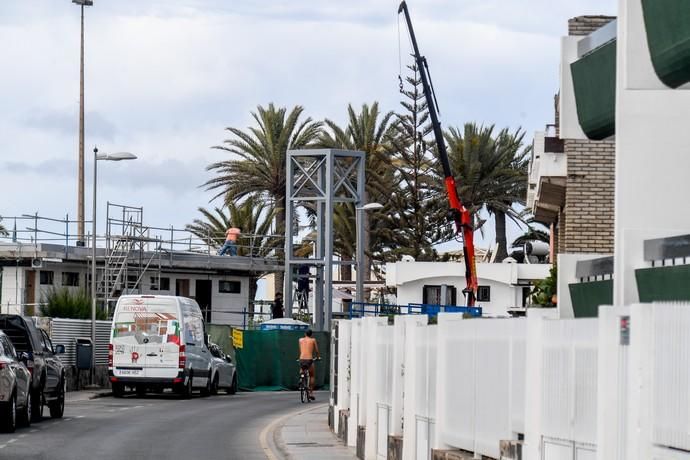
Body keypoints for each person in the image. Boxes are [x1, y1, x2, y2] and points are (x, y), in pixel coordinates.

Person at [299, 329, 320, 401]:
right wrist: (318, 357)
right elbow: (317, 351)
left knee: (302, 368)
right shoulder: (313, 340)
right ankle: (311, 393)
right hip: (309, 359)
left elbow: (301, 350)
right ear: (311, 334)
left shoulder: (300, 340)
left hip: (302, 359)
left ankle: (301, 377)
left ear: (305, 334)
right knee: (312, 375)